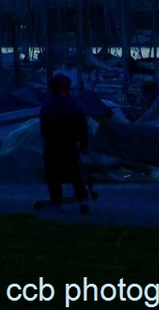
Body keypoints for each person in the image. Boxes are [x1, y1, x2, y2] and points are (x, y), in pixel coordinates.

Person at [38, 71, 92, 214]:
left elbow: (44, 128)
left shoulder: (48, 106)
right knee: (75, 173)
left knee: (53, 175)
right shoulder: (74, 106)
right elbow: (83, 127)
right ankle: (83, 200)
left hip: (52, 145)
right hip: (69, 144)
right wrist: (84, 143)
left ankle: (56, 202)